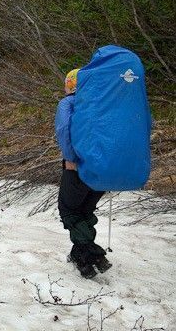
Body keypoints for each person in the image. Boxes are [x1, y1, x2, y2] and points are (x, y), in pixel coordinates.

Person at [56, 69, 111, 278]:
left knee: (69, 211)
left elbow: (64, 130)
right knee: (85, 211)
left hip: (79, 167)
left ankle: (91, 258)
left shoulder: (69, 104)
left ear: (70, 85)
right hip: (104, 170)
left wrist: (71, 158)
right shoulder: (104, 103)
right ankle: (78, 253)